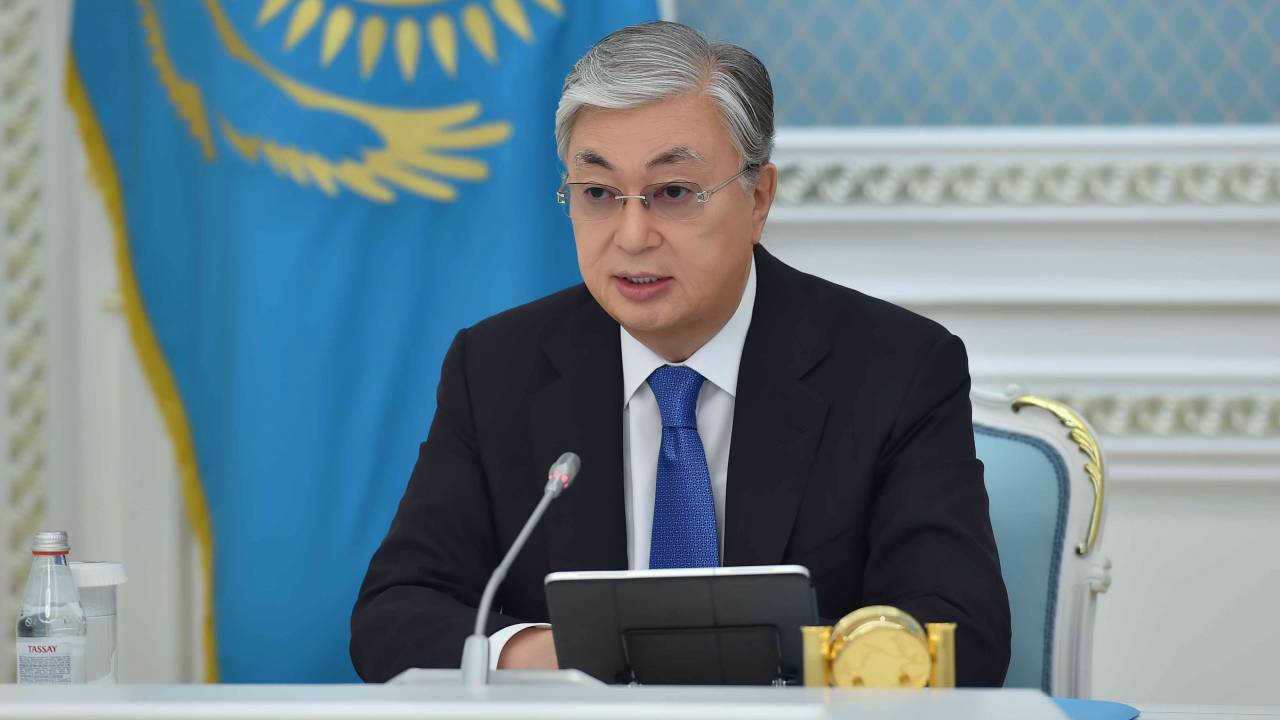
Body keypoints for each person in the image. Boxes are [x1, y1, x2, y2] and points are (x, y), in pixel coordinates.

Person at [350, 21, 1010, 686]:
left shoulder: (896, 369)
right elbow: (394, 616)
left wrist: (718, 663)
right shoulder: (497, 368)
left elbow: (962, 635)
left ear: (758, 198)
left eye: (672, 192)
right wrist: (552, 656)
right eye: (598, 193)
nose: (632, 236)